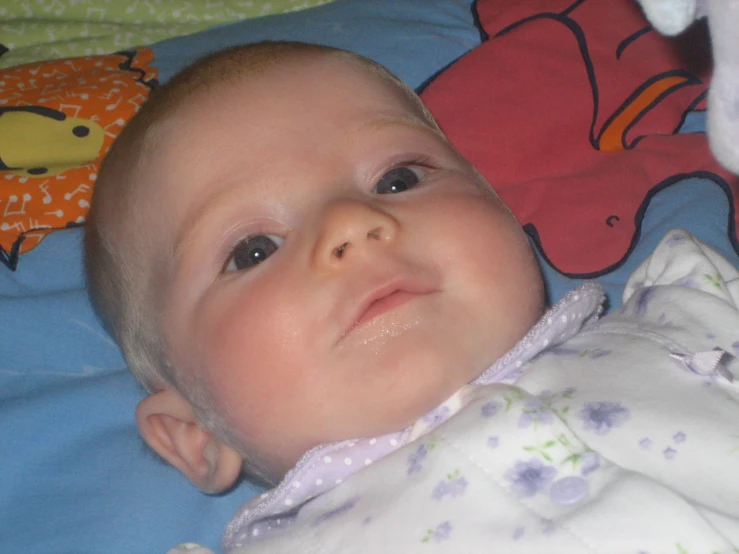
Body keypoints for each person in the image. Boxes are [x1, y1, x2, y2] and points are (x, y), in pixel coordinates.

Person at [84, 42, 739, 553]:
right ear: (195, 434)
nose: (349, 223)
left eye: (396, 179)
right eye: (254, 249)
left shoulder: (689, 310)